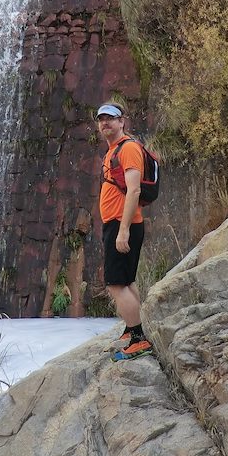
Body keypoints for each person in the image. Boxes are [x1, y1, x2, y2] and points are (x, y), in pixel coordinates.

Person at [96, 102, 153, 361]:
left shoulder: (128, 149)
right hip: (118, 223)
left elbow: (134, 190)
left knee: (116, 284)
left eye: (111, 118)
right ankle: (133, 329)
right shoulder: (114, 150)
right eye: (101, 119)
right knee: (127, 281)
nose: (105, 122)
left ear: (122, 122)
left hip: (122, 223)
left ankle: (139, 340)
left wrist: (123, 231)